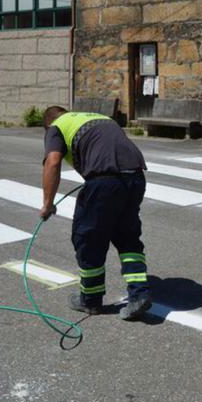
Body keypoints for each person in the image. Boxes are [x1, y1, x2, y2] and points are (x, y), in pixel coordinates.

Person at [40, 106, 151, 321]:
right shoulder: (98, 118)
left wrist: (48, 204)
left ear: (47, 125)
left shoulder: (56, 126)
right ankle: (139, 295)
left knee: (88, 238)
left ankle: (90, 300)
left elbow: (52, 162)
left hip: (104, 181)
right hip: (136, 176)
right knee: (127, 238)